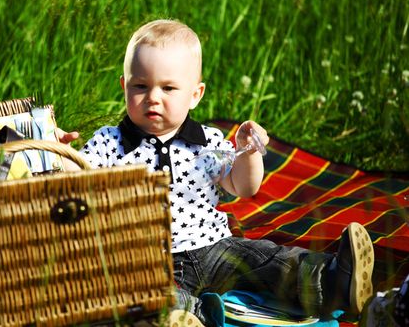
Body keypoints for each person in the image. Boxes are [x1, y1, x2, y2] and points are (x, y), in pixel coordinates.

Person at [60, 19, 375, 325]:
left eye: (168, 88)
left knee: (265, 258)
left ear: (195, 95)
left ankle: (334, 279)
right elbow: (78, 182)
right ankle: (189, 316)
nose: (153, 97)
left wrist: (249, 153)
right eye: (140, 86)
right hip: (146, 261)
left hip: (213, 247)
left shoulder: (207, 141)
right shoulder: (109, 142)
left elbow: (244, 187)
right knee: (147, 295)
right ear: (124, 86)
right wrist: (58, 150)